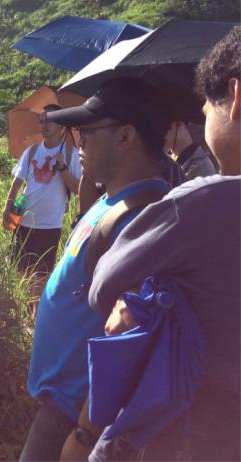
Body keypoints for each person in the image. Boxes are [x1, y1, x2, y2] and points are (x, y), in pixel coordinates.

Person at [80, 25, 241, 462]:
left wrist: (154, 295)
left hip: (193, 432)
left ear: (236, 95)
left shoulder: (200, 204)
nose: (204, 116)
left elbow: (101, 288)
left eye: (206, 107)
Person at [19, 78, 173, 461]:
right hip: (61, 402)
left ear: (125, 137)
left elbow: (127, 342)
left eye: (86, 131)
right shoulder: (113, 200)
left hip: (75, 412)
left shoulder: (140, 221)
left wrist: (86, 433)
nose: (78, 142)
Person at [3, 103, 81, 315]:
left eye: (49, 120)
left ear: (61, 125)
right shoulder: (32, 151)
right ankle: (27, 312)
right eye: (42, 121)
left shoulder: (70, 153)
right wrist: (7, 208)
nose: (44, 125)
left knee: (41, 272)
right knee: (22, 268)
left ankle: (36, 315)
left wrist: (62, 167)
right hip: (25, 219)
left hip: (50, 223)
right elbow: (18, 182)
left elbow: (78, 189)